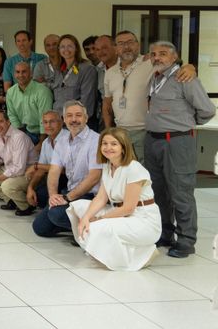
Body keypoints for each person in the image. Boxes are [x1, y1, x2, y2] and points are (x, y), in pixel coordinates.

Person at [144, 41, 215, 258]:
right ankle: (165, 233)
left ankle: (186, 240)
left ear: (175, 57)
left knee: (180, 192)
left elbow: (208, 110)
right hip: (153, 140)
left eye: (163, 53)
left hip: (177, 141)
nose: (157, 57)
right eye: (154, 54)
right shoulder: (154, 77)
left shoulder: (185, 78)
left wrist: (184, 123)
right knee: (159, 192)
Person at [67, 127, 161, 271]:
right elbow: (100, 198)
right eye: (104, 143)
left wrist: (100, 219)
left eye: (114, 144)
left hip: (143, 219)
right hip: (120, 212)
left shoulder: (134, 169)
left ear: (123, 147)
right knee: (78, 207)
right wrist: (86, 217)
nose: (108, 147)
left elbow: (128, 208)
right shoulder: (108, 166)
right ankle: (101, 248)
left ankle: (142, 255)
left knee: (97, 227)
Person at [102, 31, 197, 162]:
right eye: (121, 43)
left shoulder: (150, 63)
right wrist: (108, 130)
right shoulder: (110, 72)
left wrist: (190, 67)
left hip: (145, 131)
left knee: (145, 173)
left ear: (138, 45)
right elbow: (107, 103)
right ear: (116, 48)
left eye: (130, 42)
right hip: (120, 132)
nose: (126, 47)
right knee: (123, 171)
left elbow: (175, 67)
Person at [33, 100, 102, 236]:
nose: (74, 119)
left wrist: (68, 198)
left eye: (78, 115)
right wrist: (53, 195)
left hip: (91, 196)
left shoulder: (96, 140)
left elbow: (94, 177)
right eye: (69, 116)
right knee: (40, 227)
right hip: (71, 192)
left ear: (86, 118)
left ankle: (90, 227)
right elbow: (54, 171)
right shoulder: (62, 141)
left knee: (56, 215)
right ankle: (79, 227)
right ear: (64, 119)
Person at [51, 34, 98, 127]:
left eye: (70, 46)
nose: (66, 50)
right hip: (59, 123)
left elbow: (87, 102)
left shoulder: (87, 69)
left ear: (76, 48)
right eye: (62, 47)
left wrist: (71, 120)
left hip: (76, 124)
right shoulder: (58, 71)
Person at [25, 110, 67, 210]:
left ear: (61, 122)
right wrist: (30, 188)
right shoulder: (45, 143)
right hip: (54, 178)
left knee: (42, 196)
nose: (48, 125)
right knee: (36, 192)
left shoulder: (67, 138)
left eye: (52, 121)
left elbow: (64, 169)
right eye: (45, 122)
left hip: (68, 179)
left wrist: (36, 166)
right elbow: (41, 170)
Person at [5, 62, 53, 145]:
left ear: (31, 73)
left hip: (43, 134)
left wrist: (41, 143)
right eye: (17, 72)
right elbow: (12, 115)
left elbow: (45, 118)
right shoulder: (10, 92)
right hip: (23, 132)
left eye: (24, 72)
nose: (20, 75)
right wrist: (20, 137)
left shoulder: (42, 91)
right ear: (14, 74)